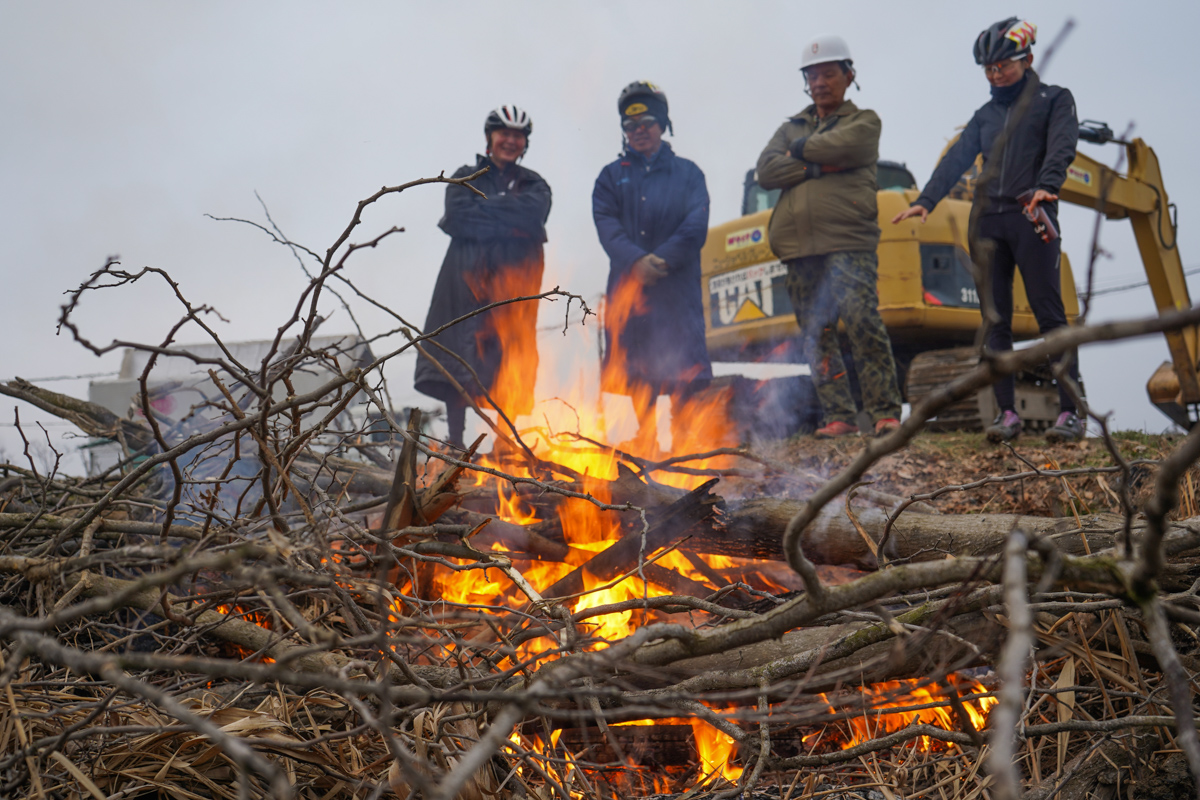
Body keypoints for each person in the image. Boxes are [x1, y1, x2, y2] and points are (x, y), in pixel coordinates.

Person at [892, 18, 1083, 444]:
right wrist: (927, 200)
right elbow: (957, 158)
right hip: (987, 223)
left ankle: (1071, 411)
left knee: (1049, 313)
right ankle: (1007, 414)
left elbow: (1062, 145)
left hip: (1030, 213)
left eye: (1004, 66)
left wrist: (1048, 186)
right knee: (994, 320)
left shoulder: (1055, 100)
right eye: (989, 69)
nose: (996, 75)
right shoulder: (985, 115)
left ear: (1028, 59)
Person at [756, 35, 902, 439]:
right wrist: (820, 165)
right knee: (815, 332)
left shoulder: (864, 121)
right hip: (799, 245)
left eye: (828, 73)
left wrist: (799, 153)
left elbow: (850, 145)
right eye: (812, 75)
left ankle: (885, 411)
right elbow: (765, 172)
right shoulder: (792, 124)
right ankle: (837, 415)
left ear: (848, 75)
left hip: (848, 239)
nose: (819, 82)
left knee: (860, 319)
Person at [414, 105, 552, 448]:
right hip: (465, 278)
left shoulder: (534, 183)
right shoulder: (465, 175)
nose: (510, 140)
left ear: (525, 143)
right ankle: (457, 440)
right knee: (459, 346)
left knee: (511, 349)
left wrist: (487, 209)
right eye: (504, 133)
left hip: (516, 280)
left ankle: (506, 440)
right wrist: (510, 213)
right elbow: (458, 215)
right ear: (490, 137)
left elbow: (535, 214)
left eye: (517, 135)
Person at [592, 81, 712, 454]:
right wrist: (634, 261)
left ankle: (685, 445)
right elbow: (606, 224)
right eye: (631, 126)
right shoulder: (610, 177)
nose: (639, 130)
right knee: (638, 369)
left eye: (647, 122)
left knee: (683, 370)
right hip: (632, 290)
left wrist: (661, 259)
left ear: (662, 124)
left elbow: (696, 224)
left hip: (677, 291)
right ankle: (645, 440)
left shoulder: (689, 174)